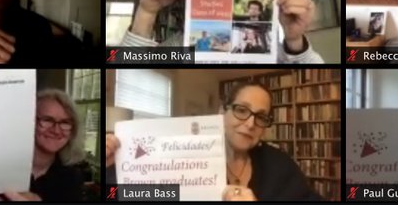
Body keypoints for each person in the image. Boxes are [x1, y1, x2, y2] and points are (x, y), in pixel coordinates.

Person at [105, 80, 318, 200]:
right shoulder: (179, 156)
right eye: (241, 110)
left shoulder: (280, 166)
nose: (251, 124)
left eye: (261, 117)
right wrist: (114, 167)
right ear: (221, 112)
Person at [119, 0, 323, 63]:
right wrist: (146, 13)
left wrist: (294, 40)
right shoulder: (179, 46)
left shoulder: (269, 48)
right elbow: (127, 67)